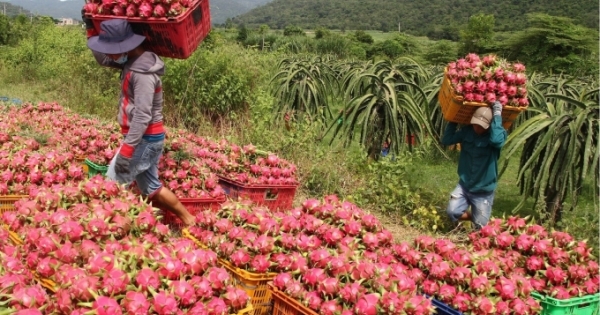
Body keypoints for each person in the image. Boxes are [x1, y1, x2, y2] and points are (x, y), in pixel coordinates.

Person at [84, 18, 196, 226]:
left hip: (144, 139)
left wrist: (126, 153)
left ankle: (110, 230)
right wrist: (91, 29)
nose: (108, 54)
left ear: (125, 46)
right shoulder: (132, 61)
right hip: (147, 139)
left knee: (110, 185)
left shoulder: (142, 73)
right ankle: (190, 220)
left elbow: (143, 116)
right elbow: (103, 59)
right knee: (151, 188)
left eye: (111, 49)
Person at [441, 102, 507, 230]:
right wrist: (454, 120)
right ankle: (475, 216)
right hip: (465, 186)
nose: (477, 128)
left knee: (480, 228)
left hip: (483, 191)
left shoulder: (495, 137)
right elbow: (446, 140)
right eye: (475, 124)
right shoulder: (467, 132)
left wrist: (497, 115)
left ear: (489, 126)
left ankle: (479, 219)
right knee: (452, 212)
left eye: (481, 126)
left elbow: (497, 141)